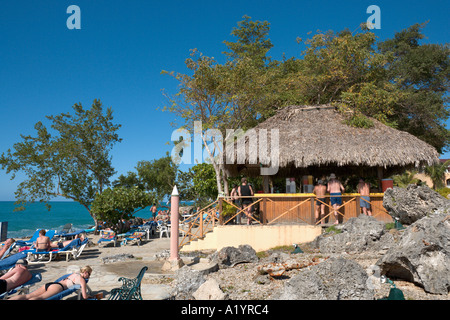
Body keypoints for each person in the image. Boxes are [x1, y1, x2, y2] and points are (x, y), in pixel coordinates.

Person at [9, 265, 93, 300]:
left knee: (28, 295)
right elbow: (84, 297)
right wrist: (88, 295)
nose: (88, 277)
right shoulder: (82, 280)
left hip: (51, 284)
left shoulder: (73, 274)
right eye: (89, 274)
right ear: (85, 272)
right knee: (40, 298)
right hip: (58, 287)